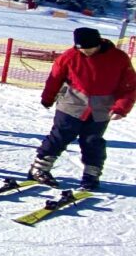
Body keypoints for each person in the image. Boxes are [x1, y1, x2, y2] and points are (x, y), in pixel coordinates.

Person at [27, 27, 135, 189]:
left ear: (98, 43)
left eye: (88, 48)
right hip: (71, 103)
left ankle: (91, 174)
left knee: (92, 141)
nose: (85, 52)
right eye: (81, 49)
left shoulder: (118, 58)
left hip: (101, 108)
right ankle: (39, 169)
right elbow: (55, 78)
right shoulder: (69, 56)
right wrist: (47, 98)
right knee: (60, 136)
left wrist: (121, 107)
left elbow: (129, 86)